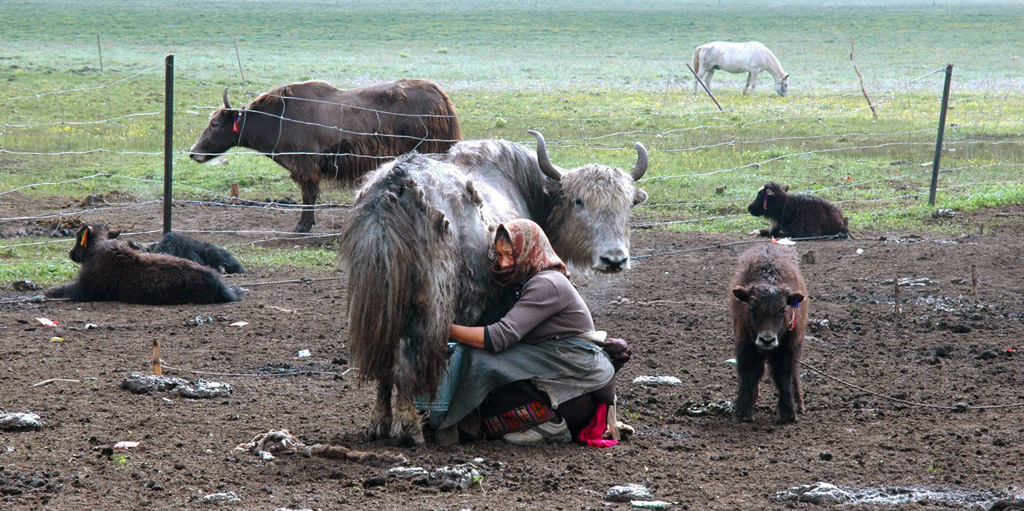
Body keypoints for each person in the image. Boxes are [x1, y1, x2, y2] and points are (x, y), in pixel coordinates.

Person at [437, 218, 630, 446]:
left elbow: (500, 336)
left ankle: (551, 424)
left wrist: (444, 330)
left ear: (530, 251)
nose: (504, 263)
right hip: (564, 375)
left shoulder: (547, 284)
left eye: (511, 255)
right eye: (499, 255)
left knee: (482, 362)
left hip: (576, 392)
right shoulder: (525, 283)